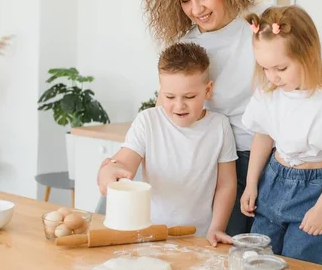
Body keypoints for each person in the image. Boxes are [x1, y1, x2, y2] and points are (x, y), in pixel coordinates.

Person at [140, 0, 257, 236]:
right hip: (212, 162)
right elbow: (165, 110)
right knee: (220, 251)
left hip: (261, 158)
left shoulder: (256, 31)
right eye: (184, 0)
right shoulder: (187, 45)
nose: (196, 8)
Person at [239, 5, 322, 266]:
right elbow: (263, 136)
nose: (272, 77)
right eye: (264, 68)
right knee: (256, 264)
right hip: (273, 182)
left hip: (315, 192)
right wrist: (252, 184)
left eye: (281, 68)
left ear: (307, 55)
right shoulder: (269, 91)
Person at [97, 42, 237, 247]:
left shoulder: (219, 126)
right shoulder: (148, 121)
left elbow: (226, 184)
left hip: (198, 237)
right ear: (160, 90)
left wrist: (217, 228)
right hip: (149, 233)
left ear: (208, 90)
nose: (179, 105)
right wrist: (109, 171)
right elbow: (124, 162)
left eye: (189, 97)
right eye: (169, 96)